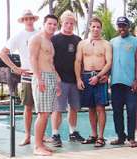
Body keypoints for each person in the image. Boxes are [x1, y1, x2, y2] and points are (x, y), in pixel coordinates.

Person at [0, 9, 39, 146]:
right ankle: (27, 136)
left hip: (42, 76)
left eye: (30, 18)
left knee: (43, 109)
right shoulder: (18, 36)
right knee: (28, 107)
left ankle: (41, 136)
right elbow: (2, 53)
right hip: (27, 75)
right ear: (23, 21)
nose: (28, 20)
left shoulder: (40, 33)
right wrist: (15, 68)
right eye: (26, 18)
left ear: (34, 19)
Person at [75, 17, 112, 147]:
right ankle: (93, 134)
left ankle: (101, 137)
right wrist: (78, 79)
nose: (96, 29)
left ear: (101, 29)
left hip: (100, 76)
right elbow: (78, 62)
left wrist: (99, 76)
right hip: (85, 76)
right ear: (89, 27)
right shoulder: (82, 44)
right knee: (91, 108)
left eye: (98, 27)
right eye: (93, 26)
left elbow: (109, 63)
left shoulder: (106, 44)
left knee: (100, 107)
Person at [50, 10, 84, 147]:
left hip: (75, 80)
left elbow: (81, 60)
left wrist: (80, 77)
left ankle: (72, 132)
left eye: (71, 23)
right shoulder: (54, 39)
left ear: (74, 24)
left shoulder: (78, 40)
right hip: (60, 80)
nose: (69, 25)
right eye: (66, 23)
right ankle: (55, 134)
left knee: (74, 108)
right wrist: (56, 77)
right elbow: (49, 60)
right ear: (62, 23)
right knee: (58, 109)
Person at [29, 14, 60, 156]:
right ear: (44, 23)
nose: (52, 26)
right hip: (41, 77)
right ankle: (37, 146)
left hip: (51, 78)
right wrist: (39, 78)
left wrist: (58, 80)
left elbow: (51, 63)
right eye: (50, 24)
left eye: (55, 24)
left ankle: (41, 144)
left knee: (47, 113)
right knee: (42, 114)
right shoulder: (37, 38)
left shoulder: (50, 42)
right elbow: (33, 59)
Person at [110, 16, 137, 147]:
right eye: (119, 26)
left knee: (131, 110)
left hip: (130, 83)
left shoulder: (136, 41)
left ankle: (131, 138)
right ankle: (120, 137)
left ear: (129, 27)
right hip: (115, 82)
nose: (121, 28)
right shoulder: (111, 41)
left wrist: (136, 79)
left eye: (124, 26)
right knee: (117, 111)